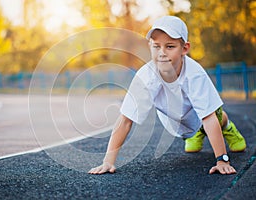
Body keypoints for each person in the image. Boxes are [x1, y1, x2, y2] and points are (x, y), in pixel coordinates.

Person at [88, 16, 246, 175]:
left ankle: (227, 127)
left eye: (170, 46)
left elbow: (208, 117)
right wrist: (108, 162)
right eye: (156, 46)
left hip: (201, 117)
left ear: (185, 48)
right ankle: (195, 134)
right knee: (190, 134)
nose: (162, 53)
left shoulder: (195, 74)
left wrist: (222, 159)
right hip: (175, 122)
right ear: (150, 46)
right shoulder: (145, 77)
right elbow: (125, 120)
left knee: (217, 116)